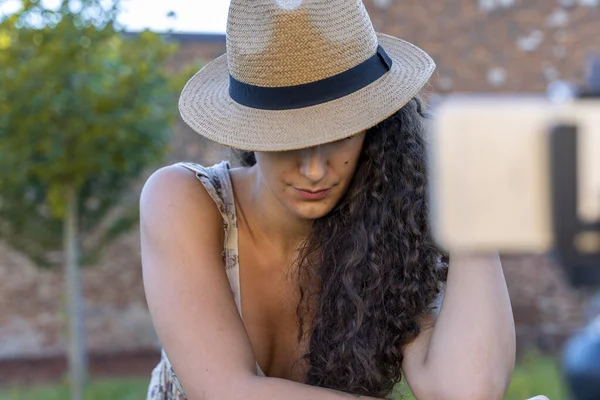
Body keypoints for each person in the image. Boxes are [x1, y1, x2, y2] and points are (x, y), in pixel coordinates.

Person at [140, 0, 516, 399]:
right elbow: (228, 391)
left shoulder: (390, 225)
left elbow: (466, 391)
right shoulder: (183, 200)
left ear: (375, 128)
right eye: (289, 140)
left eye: (341, 134)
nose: (316, 169)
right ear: (249, 132)